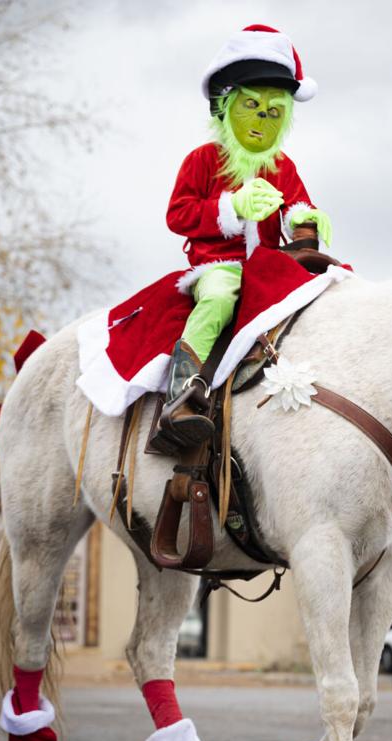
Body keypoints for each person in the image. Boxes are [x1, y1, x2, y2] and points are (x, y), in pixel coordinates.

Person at [156, 23, 333, 450]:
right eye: (251, 106)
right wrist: (232, 207)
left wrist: (306, 224)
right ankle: (180, 396)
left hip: (270, 269)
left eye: (273, 112)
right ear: (225, 105)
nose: (261, 120)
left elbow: (296, 208)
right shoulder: (202, 161)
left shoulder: (282, 166)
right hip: (218, 267)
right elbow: (178, 215)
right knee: (218, 296)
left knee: (328, 297)